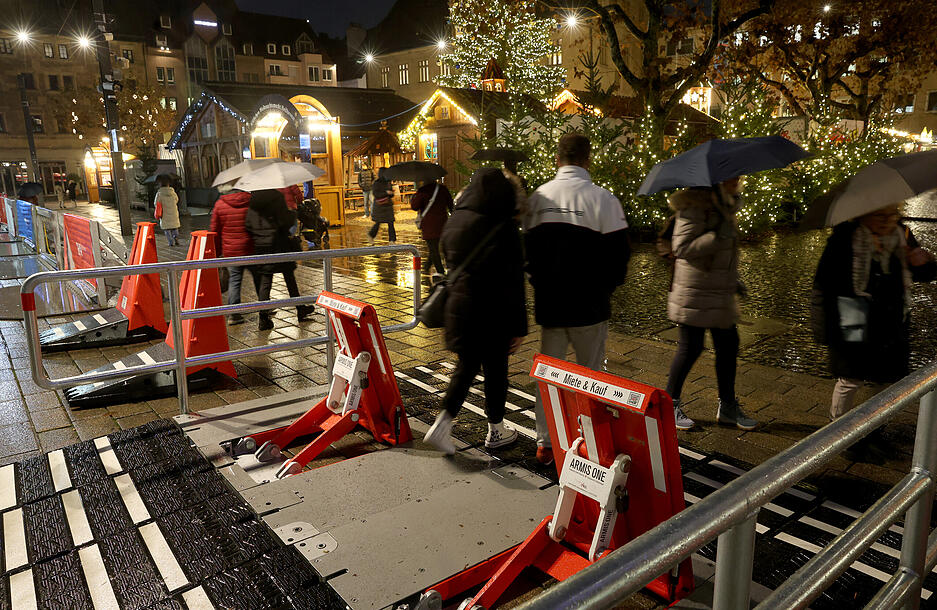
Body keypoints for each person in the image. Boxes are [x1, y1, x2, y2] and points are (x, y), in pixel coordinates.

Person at [524, 133, 630, 465]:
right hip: (590, 306)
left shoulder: (539, 197)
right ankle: (589, 441)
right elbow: (619, 257)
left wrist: (539, 283)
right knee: (591, 376)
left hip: (552, 306)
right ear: (587, 160)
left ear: (559, 159)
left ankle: (545, 440)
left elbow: (526, 253)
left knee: (549, 377)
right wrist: (605, 289)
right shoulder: (603, 200)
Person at [811, 203, 935, 454]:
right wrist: (825, 329)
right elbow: (824, 284)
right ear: (862, 214)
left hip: (890, 320)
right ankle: (839, 431)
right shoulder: (844, 239)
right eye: (879, 215)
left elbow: (921, 272)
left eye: (891, 215)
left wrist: (924, 262)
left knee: (888, 380)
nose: (886, 220)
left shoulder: (902, 235)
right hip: (852, 315)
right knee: (851, 378)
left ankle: (872, 427)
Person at [424, 168, 527, 454]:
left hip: (460, 306)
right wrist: (520, 327)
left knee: (466, 366)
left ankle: (442, 424)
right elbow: (514, 279)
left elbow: (446, 255)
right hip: (494, 310)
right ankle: (495, 430)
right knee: (496, 371)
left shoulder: (457, 218)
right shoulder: (502, 224)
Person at [664, 177, 757, 432]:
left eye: (738, 175)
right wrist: (717, 236)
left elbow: (724, 252)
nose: (737, 180)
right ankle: (668, 405)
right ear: (717, 179)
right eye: (731, 176)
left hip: (718, 290)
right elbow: (681, 247)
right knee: (690, 348)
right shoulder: (695, 204)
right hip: (695, 291)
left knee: (728, 346)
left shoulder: (726, 204)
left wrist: (733, 279)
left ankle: (727, 406)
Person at [244, 189, 314, 331]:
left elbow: (248, 225)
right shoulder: (275, 196)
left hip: (262, 246)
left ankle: (263, 319)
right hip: (279, 245)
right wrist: (291, 214)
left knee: (265, 281)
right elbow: (285, 221)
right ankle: (300, 309)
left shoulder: (253, 199)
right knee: (290, 279)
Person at [210, 186, 258, 325]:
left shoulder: (220, 204)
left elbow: (215, 231)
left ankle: (234, 315)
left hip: (231, 251)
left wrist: (217, 252)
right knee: (259, 278)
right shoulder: (251, 201)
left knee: (234, 281)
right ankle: (265, 308)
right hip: (251, 248)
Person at [409, 178, 453, 277]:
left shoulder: (423, 191)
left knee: (433, 249)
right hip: (443, 223)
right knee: (444, 247)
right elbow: (450, 205)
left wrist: (415, 196)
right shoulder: (443, 189)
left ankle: (440, 271)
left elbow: (414, 206)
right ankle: (430, 265)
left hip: (429, 225)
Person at [367, 168, 396, 244]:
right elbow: (376, 194)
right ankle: (371, 235)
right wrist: (386, 193)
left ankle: (392, 240)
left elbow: (391, 194)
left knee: (391, 223)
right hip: (380, 206)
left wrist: (391, 193)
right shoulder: (376, 183)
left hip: (388, 205)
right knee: (378, 223)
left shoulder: (388, 182)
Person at [154, 175, 182, 246]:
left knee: (167, 229)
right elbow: (176, 200)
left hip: (164, 214)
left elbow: (156, 203)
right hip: (173, 212)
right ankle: (175, 237)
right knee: (174, 227)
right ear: (168, 184)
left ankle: (170, 242)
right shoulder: (173, 193)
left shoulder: (159, 194)